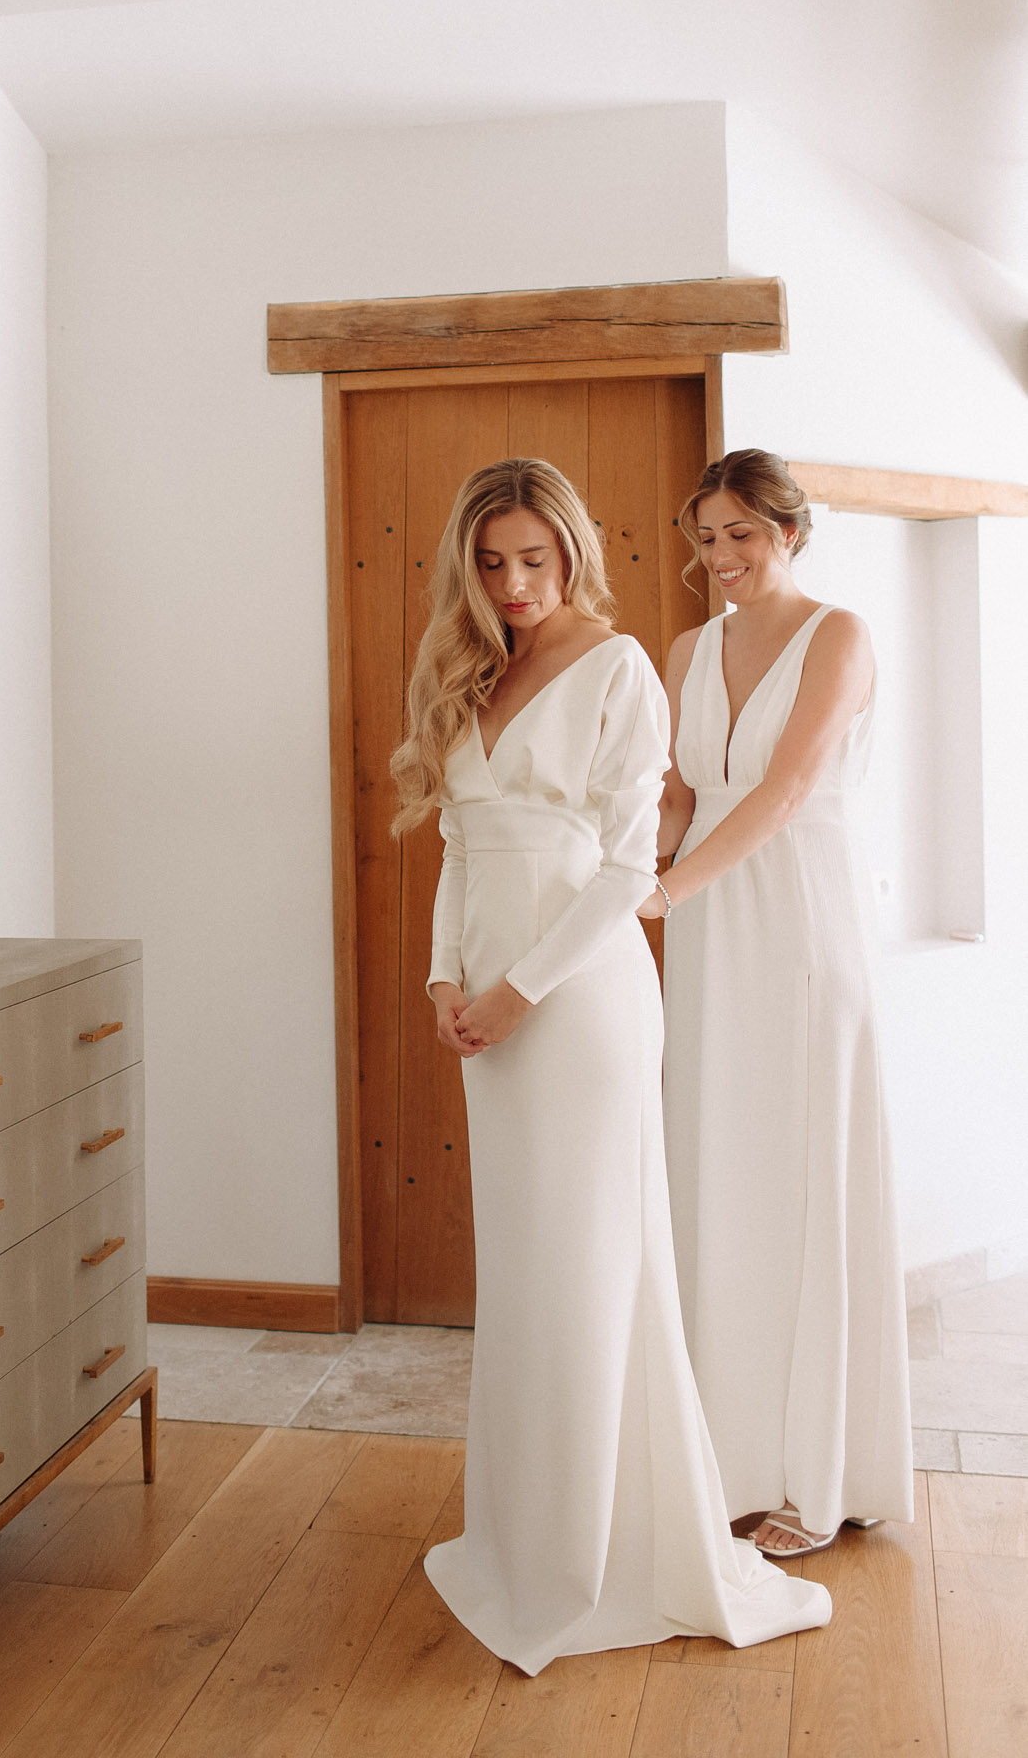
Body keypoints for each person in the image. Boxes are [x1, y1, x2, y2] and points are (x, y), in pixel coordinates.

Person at [395, 456, 830, 1674]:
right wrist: (444, 981)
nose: (515, 582)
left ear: (574, 550)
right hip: (487, 1008)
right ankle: (527, 1543)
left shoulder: (620, 667)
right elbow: (462, 845)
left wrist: (520, 990)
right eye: (491, 562)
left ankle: (597, 1560)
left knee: (590, 1269)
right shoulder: (476, 665)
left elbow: (626, 866)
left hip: (575, 1005)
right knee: (532, 1276)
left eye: (535, 558)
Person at [641, 448, 914, 1557]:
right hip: (708, 928)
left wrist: (667, 889)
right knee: (719, 1166)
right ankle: (726, 1453)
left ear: (790, 533)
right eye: (705, 537)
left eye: (741, 535)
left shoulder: (839, 634)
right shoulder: (684, 648)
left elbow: (788, 785)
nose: (720, 559)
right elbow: (677, 791)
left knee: (805, 1171)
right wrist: (623, 869)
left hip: (800, 916)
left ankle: (818, 1467)